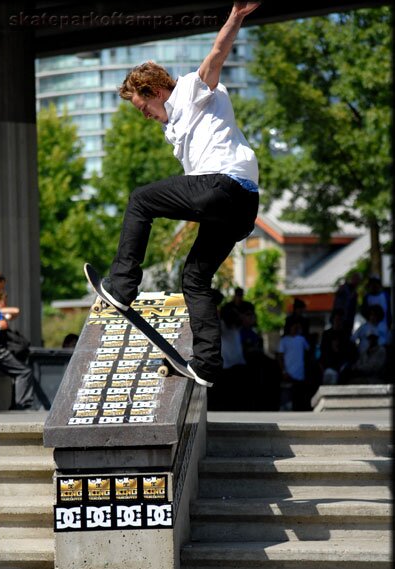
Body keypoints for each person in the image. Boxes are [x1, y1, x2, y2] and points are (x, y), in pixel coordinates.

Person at [98, 2, 261, 388]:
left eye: (144, 107)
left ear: (155, 90)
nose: (147, 116)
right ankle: (206, 364)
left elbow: (215, 56)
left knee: (140, 199)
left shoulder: (191, 88)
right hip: (241, 208)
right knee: (195, 278)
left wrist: (235, 16)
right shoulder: (175, 126)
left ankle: (121, 285)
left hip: (221, 186)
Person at [0, 270, 35, 410]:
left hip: (0, 346)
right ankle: (21, 407)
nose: (2, 290)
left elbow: (11, 312)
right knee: (24, 372)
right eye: (1, 286)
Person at [277, 320, 310, 411]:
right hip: (288, 373)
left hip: (300, 374)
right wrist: (284, 371)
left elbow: (308, 351)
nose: (295, 329)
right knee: (287, 399)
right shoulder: (284, 340)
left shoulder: (301, 339)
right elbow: (280, 357)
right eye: (293, 327)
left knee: (299, 398)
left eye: (297, 327)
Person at [332, 272, 361, 336]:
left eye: (358, 280)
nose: (356, 282)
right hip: (340, 320)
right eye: (355, 279)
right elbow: (337, 304)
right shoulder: (343, 288)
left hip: (348, 322)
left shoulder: (355, 293)